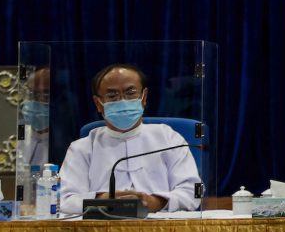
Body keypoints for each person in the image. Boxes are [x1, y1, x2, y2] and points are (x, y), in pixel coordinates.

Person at [58, 64, 201, 214]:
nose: (122, 101)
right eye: (112, 96)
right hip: (101, 230)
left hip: (160, 228)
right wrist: (104, 199)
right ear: (98, 104)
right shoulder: (83, 147)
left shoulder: (168, 139)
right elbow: (64, 199)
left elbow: (192, 191)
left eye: (130, 93)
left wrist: (152, 202)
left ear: (144, 97)